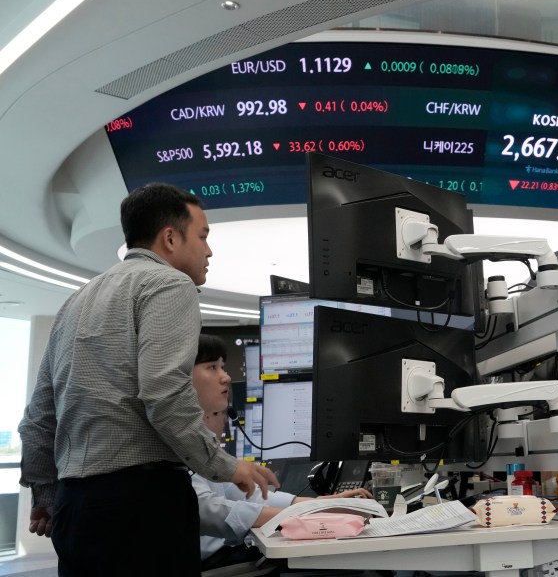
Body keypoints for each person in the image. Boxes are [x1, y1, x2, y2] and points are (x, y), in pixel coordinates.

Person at [18, 183, 279, 576]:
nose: (209, 251)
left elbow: (38, 417)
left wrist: (45, 493)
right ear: (170, 238)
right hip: (141, 507)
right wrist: (227, 467)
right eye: (204, 237)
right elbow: (164, 393)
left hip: (76, 507)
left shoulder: (76, 300)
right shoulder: (170, 284)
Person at [189, 334, 372, 570]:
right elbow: (208, 509)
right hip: (214, 563)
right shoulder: (176, 443)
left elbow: (239, 495)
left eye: (222, 367)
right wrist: (305, 515)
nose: (225, 377)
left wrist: (314, 505)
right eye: (212, 367)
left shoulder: (199, 443)